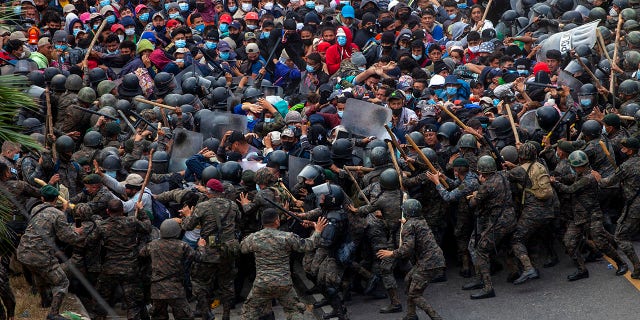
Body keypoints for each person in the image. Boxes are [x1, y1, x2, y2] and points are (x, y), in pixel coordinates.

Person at [240, 209, 327, 319]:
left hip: (262, 283)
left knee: (249, 312)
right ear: (277, 221)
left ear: (263, 222)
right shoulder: (287, 237)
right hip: (284, 283)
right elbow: (308, 245)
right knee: (294, 310)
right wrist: (317, 231)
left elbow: (243, 248)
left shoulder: (254, 237)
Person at [17, 185, 83, 320]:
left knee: (39, 276)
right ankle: (53, 313)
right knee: (62, 283)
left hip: (23, 252)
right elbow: (66, 237)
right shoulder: (58, 214)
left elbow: (48, 220)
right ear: (56, 199)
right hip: (40, 255)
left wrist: (62, 213)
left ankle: (44, 301)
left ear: (42, 198)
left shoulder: (36, 208)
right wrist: (78, 234)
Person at [377, 199, 445, 320]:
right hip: (433, 259)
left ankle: (436, 317)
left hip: (428, 263)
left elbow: (406, 249)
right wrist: (406, 223)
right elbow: (414, 227)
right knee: (408, 279)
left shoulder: (409, 226)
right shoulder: (421, 220)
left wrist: (391, 253)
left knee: (414, 294)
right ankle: (411, 315)